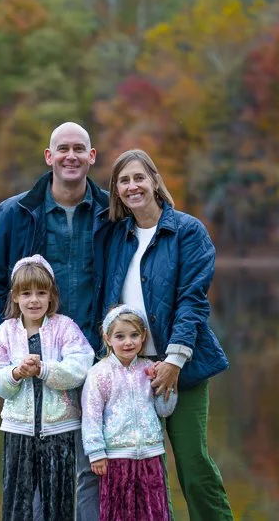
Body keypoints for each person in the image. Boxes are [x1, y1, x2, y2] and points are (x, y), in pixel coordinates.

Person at [0, 122, 110, 520]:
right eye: (62, 149)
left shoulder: (110, 212)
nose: (71, 156)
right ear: (49, 157)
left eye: (79, 149)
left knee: (94, 467)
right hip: (34, 363)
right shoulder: (17, 213)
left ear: (91, 157)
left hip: (97, 357)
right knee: (34, 472)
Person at [99, 149, 233, 520]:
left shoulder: (187, 231)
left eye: (139, 177)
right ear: (117, 191)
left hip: (180, 370)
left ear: (155, 181)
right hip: (128, 372)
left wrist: (174, 360)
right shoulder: (116, 235)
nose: (132, 186)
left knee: (193, 467)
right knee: (140, 473)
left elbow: (193, 301)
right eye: (123, 181)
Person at [0, 255, 95, 521]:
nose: (34, 300)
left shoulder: (64, 328)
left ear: (51, 296)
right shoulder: (5, 332)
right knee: (17, 501)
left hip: (59, 430)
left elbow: (81, 367)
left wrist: (45, 369)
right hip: (18, 429)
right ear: (15, 297)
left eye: (41, 293)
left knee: (58, 502)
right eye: (26, 293)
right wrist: (15, 373)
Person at [82, 304, 175, 521]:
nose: (128, 342)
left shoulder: (149, 369)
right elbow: (91, 415)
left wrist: (164, 384)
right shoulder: (99, 373)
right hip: (116, 458)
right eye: (120, 336)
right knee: (119, 514)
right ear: (107, 338)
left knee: (152, 512)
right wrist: (96, 452)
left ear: (143, 337)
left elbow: (165, 410)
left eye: (134, 335)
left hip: (150, 455)